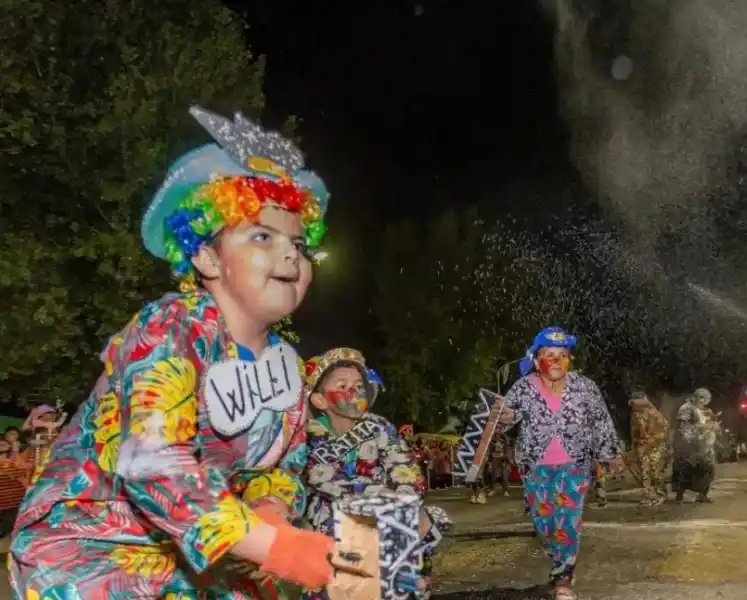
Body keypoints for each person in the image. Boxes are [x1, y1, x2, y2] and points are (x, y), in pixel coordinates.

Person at [9, 107, 336, 598]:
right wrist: (277, 548)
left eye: (297, 242)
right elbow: (152, 464)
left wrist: (272, 512)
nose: (290, 254)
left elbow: (285, 467)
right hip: (90, 549)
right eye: (262, 237)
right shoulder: (170, 327)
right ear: (207, 257)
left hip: (197, 560)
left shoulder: (285, 363)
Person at [303, 347, 450, 593]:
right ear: (319, 400)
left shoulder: (379, 426)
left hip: (383, 514)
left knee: (433, 519)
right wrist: (377, 494)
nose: (354, 390)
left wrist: (403, 498)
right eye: (342, 384)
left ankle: (402, 577)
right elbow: (320, 476)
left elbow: (404, 466)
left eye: (359, 383)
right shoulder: (310, 434)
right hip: (332, 518)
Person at [498, 326, 623, 600]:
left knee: (567, 520)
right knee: (545, 523)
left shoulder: (585, 387)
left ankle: (563, 577)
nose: (556, 361)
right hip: (535, 466)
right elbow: (504, 422)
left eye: (562, 355)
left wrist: (610, 454)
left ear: (570, 359)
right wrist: (502, 416)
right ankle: (559, 562)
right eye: (549, 354)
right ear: (535, 359)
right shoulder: (523, 388)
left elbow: (601, 422)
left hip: (574, 465)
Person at [672, 388, 718, 503]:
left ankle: (702, 494)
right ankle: (679, 495)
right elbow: (684, 426)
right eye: (705, 400)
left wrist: (713, 427)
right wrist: (695, 436)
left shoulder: (706, 411)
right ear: (700, 398)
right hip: (689, 446)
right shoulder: (686, 408)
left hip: (705, 446)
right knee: (685, 469)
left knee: (707, 469)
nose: (706, 403)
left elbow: (711, 423)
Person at [630, 391, 669, 506]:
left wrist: (653, 439)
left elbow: (664, 429)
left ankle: (661, 495)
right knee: (644, 472)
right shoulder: (635, 414)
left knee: (655, 470)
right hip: (641, 446)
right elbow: (634, 432)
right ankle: (649, 496)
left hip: (654, 446)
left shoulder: (654, 413)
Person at [487, 431, 512, 496]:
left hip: (503, 458)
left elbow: (506, 451)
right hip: (494, 458)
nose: (497, 435)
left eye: (498, 434)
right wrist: (489, 462)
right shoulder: (492, 442)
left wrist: (506, 461)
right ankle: (492, 489)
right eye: (496, 434)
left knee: (504, 475)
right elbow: (490, 452)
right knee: (493, 474)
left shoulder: (504, 441)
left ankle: (505, 490)